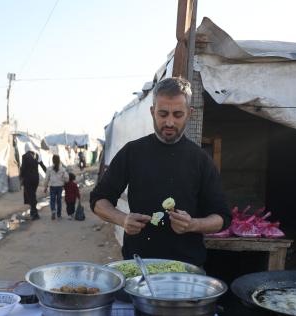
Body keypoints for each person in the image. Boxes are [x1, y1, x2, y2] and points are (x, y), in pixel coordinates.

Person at [90, 77, 231, 266]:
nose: (170, 122)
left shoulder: (201, 160)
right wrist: (122, 219)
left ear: (189, 114)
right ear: (152, 111)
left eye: (178, 114)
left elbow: (222, 217)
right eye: (163, 114)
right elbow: (98, 200)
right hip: (139, 264)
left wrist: (193, 225)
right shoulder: (132, 152)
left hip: (186, 266)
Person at [19, 150, 46, 220]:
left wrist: (21, 177)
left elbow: (23, 168)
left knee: (31, 196)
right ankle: (33, 212)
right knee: (32, 195)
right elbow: (42, 165)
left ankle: (34, 213)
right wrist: (48, 173)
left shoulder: (24, 157)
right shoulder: (37, 156)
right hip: (35, 179)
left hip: (28, 179)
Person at [44, 154, 68, 220]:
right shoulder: (62, 169)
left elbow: (46, 179)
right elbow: (66, 178)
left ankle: (53, 211)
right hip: (60, 186)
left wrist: (45, 187)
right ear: (59, 160)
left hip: (52, 186)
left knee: (52, 199)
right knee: (59, 200)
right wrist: (64, 182)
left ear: (52, 161)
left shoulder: (49, 169)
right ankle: (59, 215)